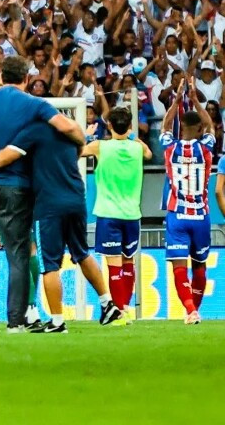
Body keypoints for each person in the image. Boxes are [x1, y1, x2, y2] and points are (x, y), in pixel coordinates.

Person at [0, 55, 86, 334]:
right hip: (16, 185)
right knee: (19, 253)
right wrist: (80, 146)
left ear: (0, 75)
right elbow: (69, 128)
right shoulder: (35, 104)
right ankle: (16, 320)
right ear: (26, 78)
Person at [0, 118, 122, 333]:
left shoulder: (31, 134)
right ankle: (107, 304)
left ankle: (57, 321)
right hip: (76, 200)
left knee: (48, 265)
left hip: (50, 205)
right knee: (82, 253)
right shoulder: (69, 134)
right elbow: (80, 149)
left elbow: (0, 160)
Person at [83, 105, 150, 318]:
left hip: (109, 214)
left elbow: (76, 151)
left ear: (109, 125)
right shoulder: (138, 148)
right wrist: (132, 136)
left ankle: (119, 311)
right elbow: (148, 152)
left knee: (114, 266)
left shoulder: (99, 147)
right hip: (132, 215)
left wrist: (86, 136)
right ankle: (126, 308)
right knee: (128, 262)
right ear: (130, 126)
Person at [158, 93, 215, 324]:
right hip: (200, 215)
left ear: (181, 128)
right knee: (199, 266)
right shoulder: (207, 148)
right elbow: (210, 124)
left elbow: (164, 126)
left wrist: (175, 104)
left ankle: (190, 310)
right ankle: (195, 310)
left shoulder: (170, 148)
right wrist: (195, 99)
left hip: (177, 215)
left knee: (179, 266)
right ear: (199, 129)